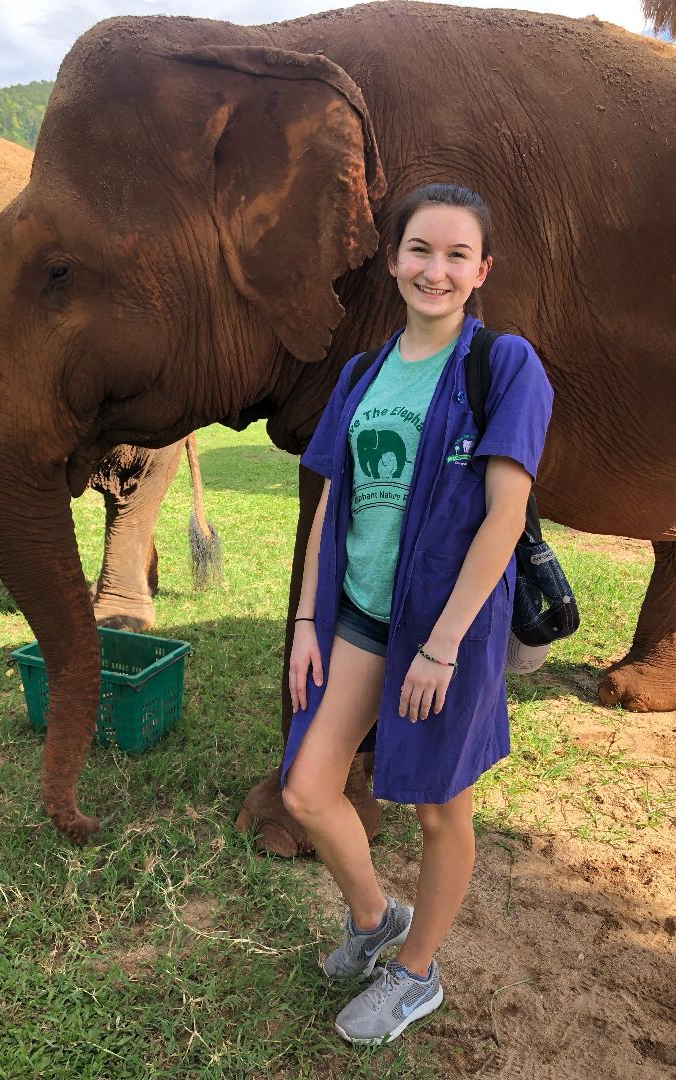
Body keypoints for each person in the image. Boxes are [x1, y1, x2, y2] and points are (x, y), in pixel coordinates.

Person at [280, 183, 553, 1045]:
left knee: (442, 811)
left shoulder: (504, 367)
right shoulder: (364, 373)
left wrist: (439, 647)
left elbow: (505, 517)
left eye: (456, 255)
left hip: (446, 630)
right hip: (359, 615)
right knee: (307, 791)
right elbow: (331, 504)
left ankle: (416, 974)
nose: (435, 270)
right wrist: (303, 623)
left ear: (482, 271)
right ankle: (375, 918)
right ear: (394, 260)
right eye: (420, 251)